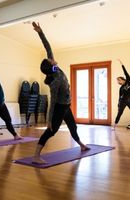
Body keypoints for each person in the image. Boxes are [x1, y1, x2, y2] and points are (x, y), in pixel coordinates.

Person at [32, 22, 89, 164]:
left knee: (73, 126)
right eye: (51, 60)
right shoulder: (55, 82)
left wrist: (40, 32)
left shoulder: (55, 68)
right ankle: (36, 155)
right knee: (51, 131)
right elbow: (52, 103)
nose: (52, 59)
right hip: (59, 107)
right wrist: (49, 120)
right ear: (50, 66)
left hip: (66, 105)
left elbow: (47, 46)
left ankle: (81, 145)